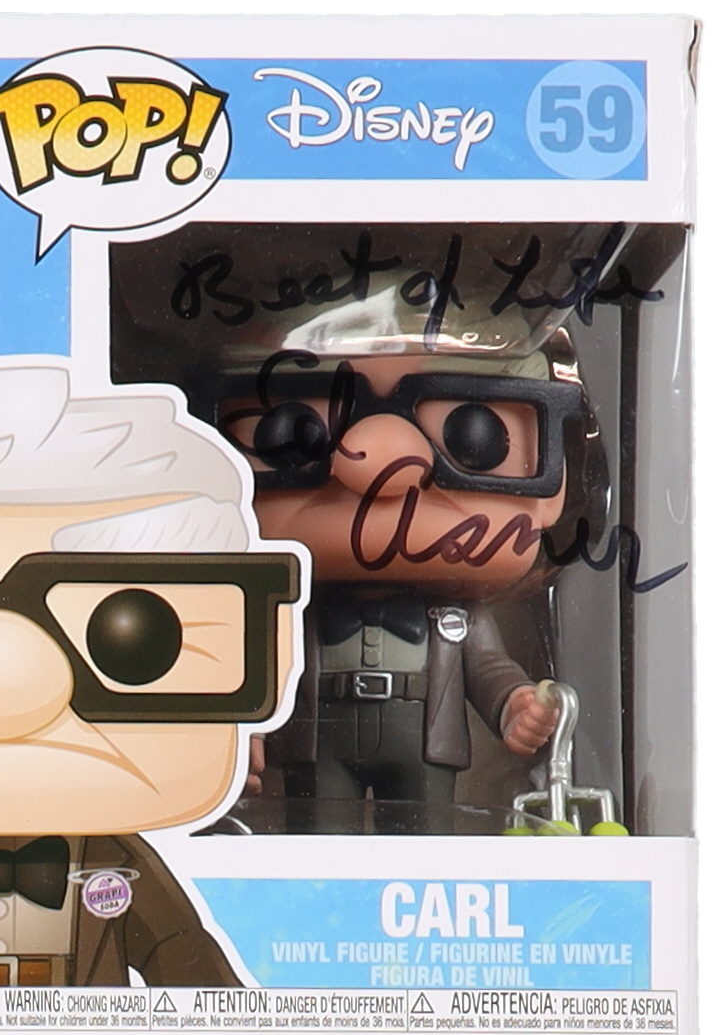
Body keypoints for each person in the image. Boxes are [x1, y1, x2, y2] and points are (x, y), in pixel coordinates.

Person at [0, 366, 302, 985]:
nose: (4, 692)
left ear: (269, 647)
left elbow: (186, 962)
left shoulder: (109, 854)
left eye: (135, 637)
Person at [196, 303, 607, 833]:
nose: (380, 464)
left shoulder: (457, 616)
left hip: (424, 743)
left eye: (474, 436)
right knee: (316, 845)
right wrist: (241, 731)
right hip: (319, 742)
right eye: (289, 433)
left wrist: (516, 705)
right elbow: (260, 673)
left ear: (554, 482)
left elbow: (488, 670)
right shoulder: (289, 610)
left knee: (427, 844)